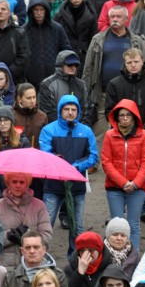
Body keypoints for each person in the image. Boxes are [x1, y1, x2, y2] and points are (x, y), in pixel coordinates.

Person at [39, 95, 98, 258]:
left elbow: (93, 156)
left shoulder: (86, 131)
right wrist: (61, 167)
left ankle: (75, 257)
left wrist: (75, 167)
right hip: (53, 185)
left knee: (77, 226)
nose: (70, 113)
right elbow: (46, 154)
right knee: (46, 224)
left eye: (73, 109)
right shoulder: (49, 130)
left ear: (78, 112)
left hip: (76, 186)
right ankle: (42, 256)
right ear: (60, 111)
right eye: (66, 109)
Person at [102, 100, 145, 250]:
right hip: (114, 188)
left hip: (137, 188)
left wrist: (135, 183)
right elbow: (106, 162)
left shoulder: (144, 136)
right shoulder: (109, 135)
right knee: (117, 224)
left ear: (134, 117)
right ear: (116, 118)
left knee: (133, 224)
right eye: (121, 115)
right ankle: (115, 257)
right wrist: (123, 182)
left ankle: (133, 259)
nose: (124, 118)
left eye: (128, 115)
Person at [0, 172, 52, 265]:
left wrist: (28, 235)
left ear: (27, 184)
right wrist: (9, 236)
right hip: (6, 264)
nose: (18, 185)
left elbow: (47, 235)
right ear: (8, 183)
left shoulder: (39, 206)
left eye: (22, 182)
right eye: (14, 182)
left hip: (33, 263)